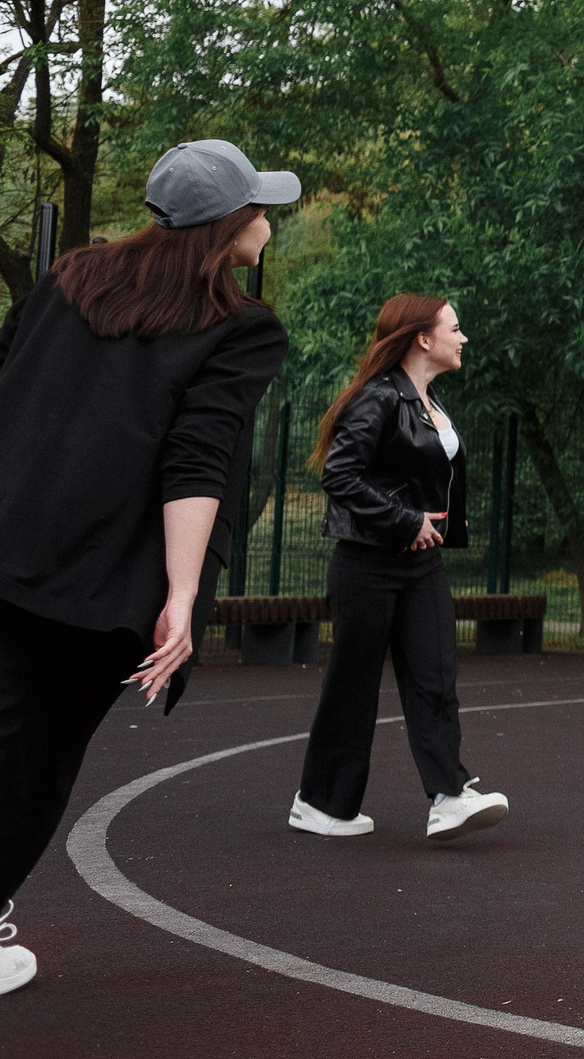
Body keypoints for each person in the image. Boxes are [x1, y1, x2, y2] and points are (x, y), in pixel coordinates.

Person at [0, 140, 297, 996]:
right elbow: (197, 461)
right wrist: (180, 592)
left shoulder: (68, 280)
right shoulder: (238, 327)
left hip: (8, 549)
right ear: (224, 225)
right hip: (94, 585)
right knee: (34, 764)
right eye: (258, 207)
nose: (268, 221)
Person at [290, 295, 509, 843]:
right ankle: (320, 803)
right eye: (455, 329)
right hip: (367, 562)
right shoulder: (378, 399)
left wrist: (420, 527)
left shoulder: (428, 403)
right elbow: (339, 475)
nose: (464, 339)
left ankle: (449, 796)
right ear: (422, 338)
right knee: (354, 685)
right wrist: (404, 519)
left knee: (435, 675)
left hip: (421, 563)